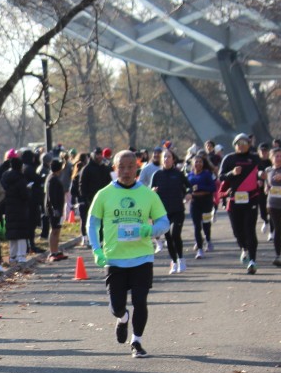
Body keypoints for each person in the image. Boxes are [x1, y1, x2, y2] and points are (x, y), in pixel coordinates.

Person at [88, 150, 169, 358]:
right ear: (114, 169)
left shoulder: (148, 194)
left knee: (140, 301)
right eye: (121, 167)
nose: (126, 171)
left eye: (130, 167)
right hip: (114, 258)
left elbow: (164, 222)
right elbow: (92, 224)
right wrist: (96, 249)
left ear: (137, 168)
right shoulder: (104, 194)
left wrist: (151, 230)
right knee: (116, 307)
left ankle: (137, 341)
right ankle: (123, 318)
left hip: (142, 257)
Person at [218, 133, 264, 274]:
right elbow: (221, 177)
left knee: (250, 229)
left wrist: (261, 177)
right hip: (234, 200)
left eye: (244, 143)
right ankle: (244, 248)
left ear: (249, 145)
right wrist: (232, 173)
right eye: (239, 143)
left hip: (251, 198)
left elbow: (262, 170)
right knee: (237, 231)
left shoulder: (255, 158)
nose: (241, 146)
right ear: (234, 145)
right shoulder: (229, 159)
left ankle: (252, 261)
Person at [151, 150, 192, 273]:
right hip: (163, 212)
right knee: (168, 237)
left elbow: (189, 186)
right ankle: (174, 262)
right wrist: (153, 191)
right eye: (164, 157)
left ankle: (181, 259)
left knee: (175, 235)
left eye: (169, 157)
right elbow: (150, 191)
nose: (166, 159)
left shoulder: (178, 174)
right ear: (161, 159)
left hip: (178, 209)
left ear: (173, 159)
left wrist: (188, 193)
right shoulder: (157, 174)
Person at [0, 153, 29, 264]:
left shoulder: (5, 177)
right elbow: (24, 195)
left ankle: (12, 256)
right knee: (21, 232)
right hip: (20, 208)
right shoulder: (20, 178)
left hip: (9, 207)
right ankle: (21, 255)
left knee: (12, 232)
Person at [187, 155, 217, 257]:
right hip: (194, 203)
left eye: (200, 162)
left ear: (203, 163)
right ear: (192, 164)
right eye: (196, 162)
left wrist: (200, 188)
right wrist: (189, 192)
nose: (198, 164)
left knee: (206, 224)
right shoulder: (189, 175)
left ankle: (208, 240)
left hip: (206, 203)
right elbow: (186, 188)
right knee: (197, 226)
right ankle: (199, 248)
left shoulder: (207, 174)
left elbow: (213, 188)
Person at [44, 159, 67, 261]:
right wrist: (55, 209)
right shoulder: (52, 179)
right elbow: (51, 196)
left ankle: (56, 251)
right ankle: (52, 252)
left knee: (57, 230)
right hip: (54, 209)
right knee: (54, 230)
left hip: (57, 208)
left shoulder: (54, 178)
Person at [256, 142, 273, 237]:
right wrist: (257, 181)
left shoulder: (272, 161)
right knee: (262, 211)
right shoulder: (255, 162)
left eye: (265, 151)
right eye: (262, 151)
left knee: (272, 210)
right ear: (258, 152)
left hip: (272, 189)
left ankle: (272, 232)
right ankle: (265, 221)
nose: (263, 153)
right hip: (260, 190)